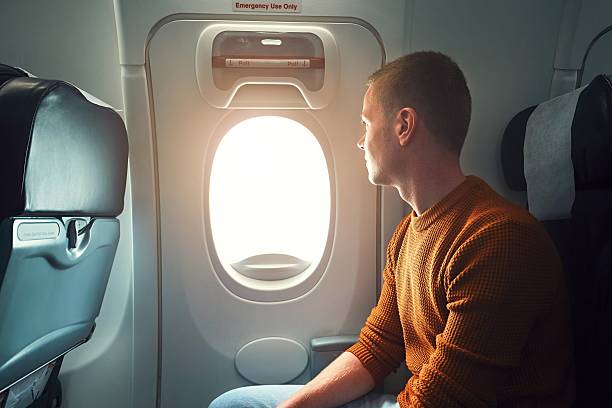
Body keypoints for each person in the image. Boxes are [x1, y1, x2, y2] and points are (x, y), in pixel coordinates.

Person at [209, 51, 575, 408]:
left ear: (403, 126)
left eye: (367, 124)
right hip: (420, 400)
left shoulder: (499, 239)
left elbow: (447, 399)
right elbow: (378, 346)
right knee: (237, 403)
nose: (359, 140)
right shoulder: (407, 233)